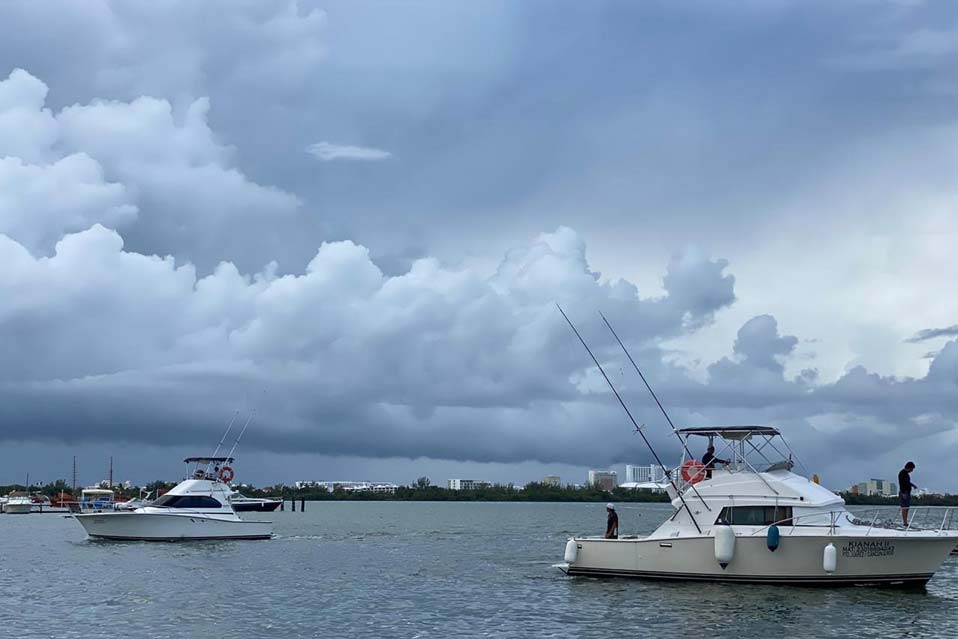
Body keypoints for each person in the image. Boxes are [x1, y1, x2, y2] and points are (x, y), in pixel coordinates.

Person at [898, 461, 918, 526]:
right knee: (904, 507)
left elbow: (907, 482)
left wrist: (913, 485)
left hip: (907, 492)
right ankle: (905, 522)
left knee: (907, 507)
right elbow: (901, 483)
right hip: (904, 492)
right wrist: (903, 493)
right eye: (912, 469)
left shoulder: (906, 474)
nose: (912, 471)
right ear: (909, 467)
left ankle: (905, 522)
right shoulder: (902, 473)